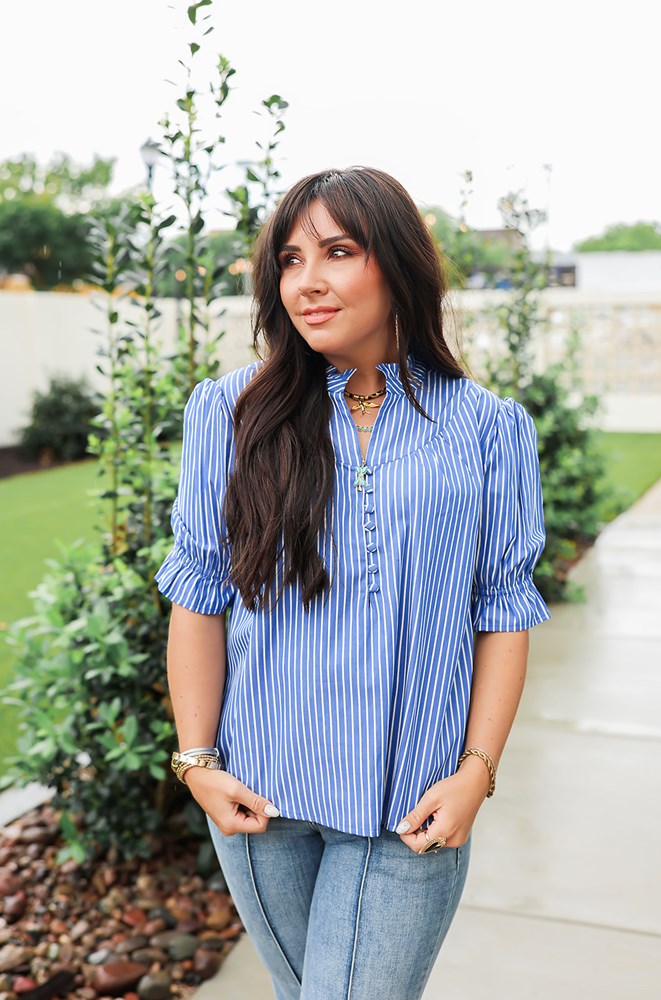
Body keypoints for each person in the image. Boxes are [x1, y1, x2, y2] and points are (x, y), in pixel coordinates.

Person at [155, 166, 551, 1000]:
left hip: (409, 810)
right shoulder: (228, 413)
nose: (308, 282)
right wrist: (197, 762)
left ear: (397, 262)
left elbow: (501, 609)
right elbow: (198, 592)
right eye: (289, 261)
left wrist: (475, 771)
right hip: (258, 805)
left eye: (337, 251)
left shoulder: (487, 428)